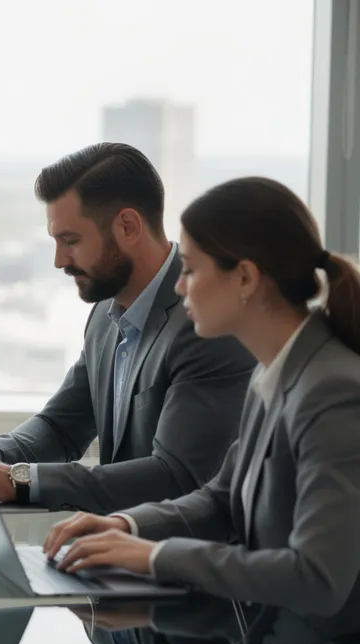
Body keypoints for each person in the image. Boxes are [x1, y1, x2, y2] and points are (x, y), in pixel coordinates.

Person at [43, 177, 360, 620]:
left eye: (190, 269)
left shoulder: (333, 391)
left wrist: (154, 558)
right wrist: (126, 526)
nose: (178, 286)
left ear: (246, 277)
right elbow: (221, 498)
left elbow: (316, 578)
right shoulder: (274, 370)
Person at [0, 143, 254, 513]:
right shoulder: (105, 315)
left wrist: (16, 479)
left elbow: (175, 477)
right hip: (115, 543)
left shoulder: (206, 322)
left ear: (128, 226)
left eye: (71, 241)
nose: (60, 260)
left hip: (182, 556)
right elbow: (60, 427)